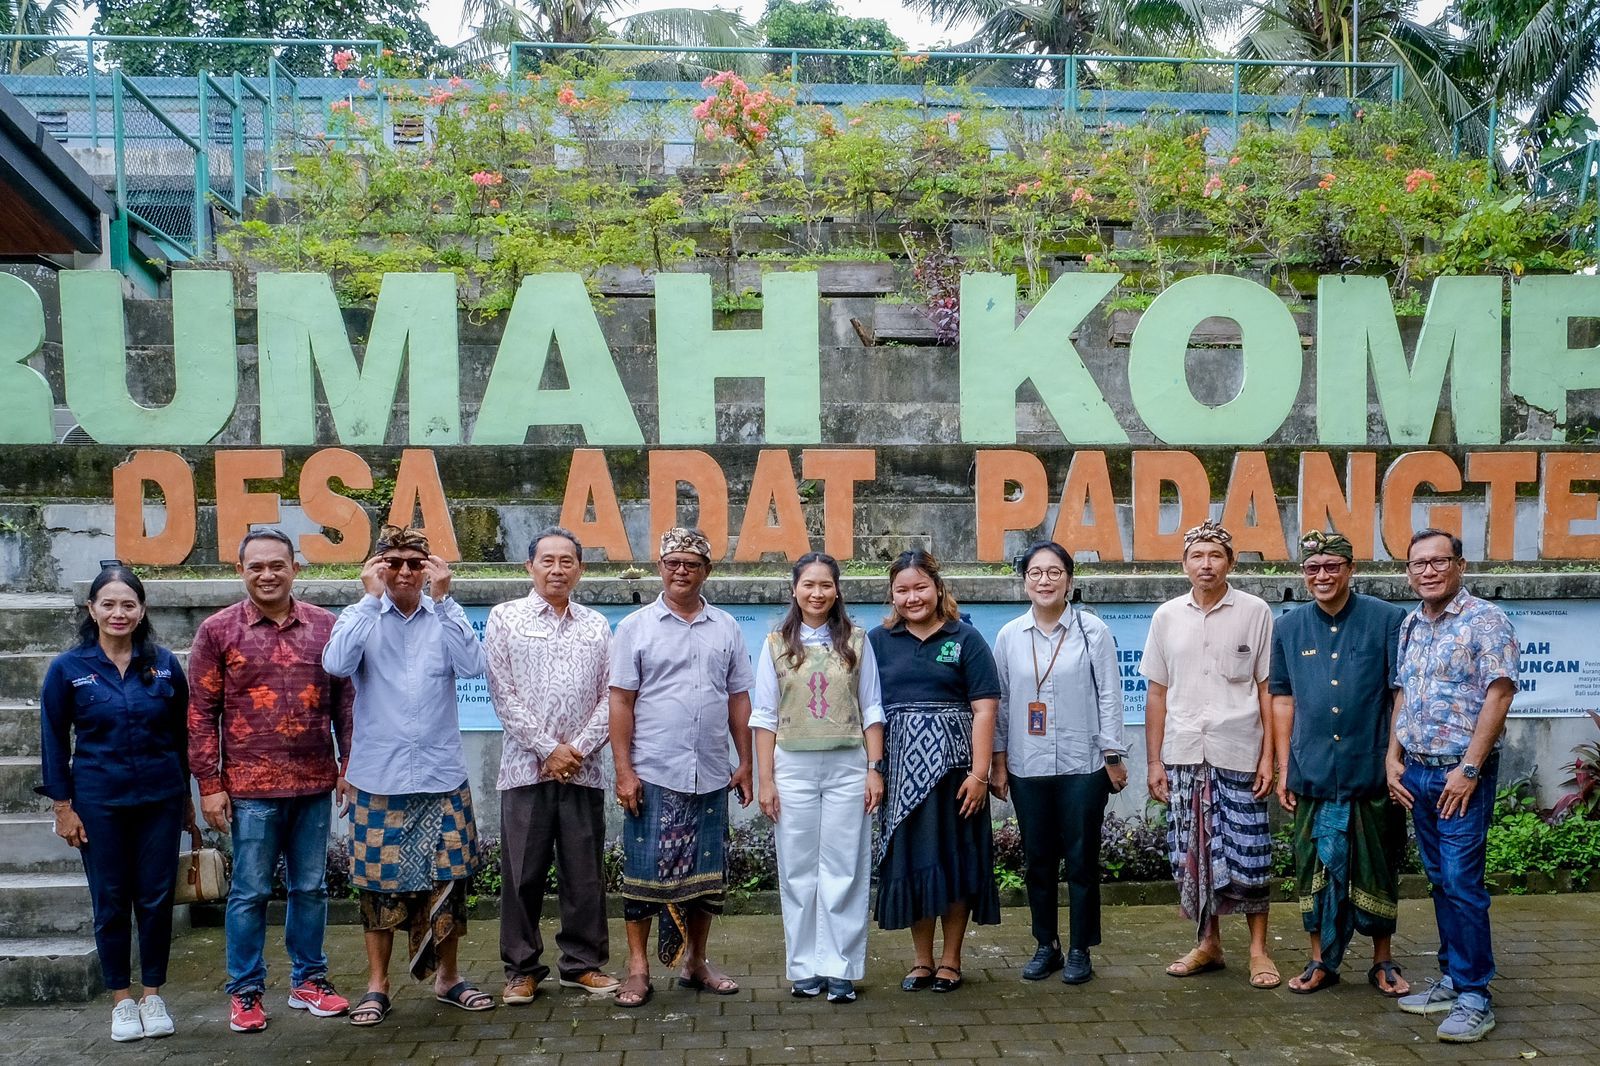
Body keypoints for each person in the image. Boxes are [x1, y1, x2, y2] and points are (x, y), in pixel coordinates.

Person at [322, 524, 491, 1026]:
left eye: (414, 563)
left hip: (441, 776)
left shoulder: (445, 614)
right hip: (381, 778)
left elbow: (473, 666)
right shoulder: (360, 616)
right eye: (392, 562)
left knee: (449, 883)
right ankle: (378, 985)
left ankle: (448, 978)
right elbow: (335, 663)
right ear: (376, 566)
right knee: (378, 887)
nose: (403, 572)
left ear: (430, 567)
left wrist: (444, 601)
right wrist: (370, 600)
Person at [188, 528, 355, 1033]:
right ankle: (245, 992)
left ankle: (310, 981)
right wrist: (210, 784)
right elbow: (200, 713)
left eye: (277, 565)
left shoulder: (326, 627)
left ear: (295, 569)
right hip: (250, 787)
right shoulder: (218, 631)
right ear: (241, 571)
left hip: (313, 783)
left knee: (311, 887)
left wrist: (350, 765)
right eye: (256, 566)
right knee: (250, 891)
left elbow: (346, 702)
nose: (267, 574)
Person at [38, 563, 191, 1042]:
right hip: (99, 801)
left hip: (160, 799)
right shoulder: (69, 669)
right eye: (109, 604)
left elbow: (181, 737)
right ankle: (121, 1001)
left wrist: (186, 799)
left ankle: (153, 994)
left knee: (156, 896)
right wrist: (63, 807)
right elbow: (52, 740)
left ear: (142, 609)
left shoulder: (164, 663)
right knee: (110, 900)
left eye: (128, 604)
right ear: (92, 609)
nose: (118, 612)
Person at [608, 527, 755, 1009]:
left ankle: (696, 962)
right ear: (660, 568)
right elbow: (621, 702)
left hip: (711, 772)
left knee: (706, 876)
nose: (681, 571)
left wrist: (746, 761)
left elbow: (738, 699)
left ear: (706, 572)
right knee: (643, 876)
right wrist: (624, 770)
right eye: (673, 562)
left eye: (691, 564)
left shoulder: (726, 627)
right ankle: (637, 968)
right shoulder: (635, 627)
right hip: (653, 772)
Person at [1387, 528, 1517, 1043]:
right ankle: (1452, 976)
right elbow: (1403, 692)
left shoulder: (1486, 620)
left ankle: (1475, 996)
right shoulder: (1411, 624)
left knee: (1463, 883)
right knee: (1441, 880)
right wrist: (1392, 757)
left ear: (1459, 565)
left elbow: (1499, 695)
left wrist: (1468, 768)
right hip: (1416, 770)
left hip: (1459, 774)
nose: (1428, 571)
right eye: (1418, 563)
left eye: (1438, 561)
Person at [1268, 530, 1410, 997]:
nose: (1322, 575)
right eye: (1313, 568)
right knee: (1312, 866)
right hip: (1313, 770)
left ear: (1350, 569)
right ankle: (1319, 960)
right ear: (1303, 575)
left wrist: (1394, 758)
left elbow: (1398, 695)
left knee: (1378, 864)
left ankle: (1382, 960)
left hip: (1370, 769)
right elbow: (1283, 699)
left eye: (1332, 566)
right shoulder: (1288, 627)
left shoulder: (1387, 619)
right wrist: (1285, 766)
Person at [1141, 521, 1279, 990]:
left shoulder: (1255, 611)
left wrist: (1270, 759)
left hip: (1239, 751)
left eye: (1215, 555)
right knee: (1193, 854)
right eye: (1197, 555)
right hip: (1182, 753)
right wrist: (1154, 761)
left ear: (1231, 562)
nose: (1206, 564)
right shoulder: (1166, 617)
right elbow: (1156, 693)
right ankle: (1209, 943)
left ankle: (1259, 950)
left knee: (1250, 854)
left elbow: (1267, 690)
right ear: (1184, 563)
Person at [485, 527, 619, 1004]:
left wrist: (576, 750)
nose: (557, 569)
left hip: (584, 770)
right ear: (530, 566)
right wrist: (547, 749)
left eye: (567, 561)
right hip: (525, 769)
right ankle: (521, 968)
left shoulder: (597, 625)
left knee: (584, 873)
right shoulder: (505, 619)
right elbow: (503, 695)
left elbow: (612, 695)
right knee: (522, 873)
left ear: (579, 569)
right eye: (548, 560)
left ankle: (582, 964)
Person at [753, 552, 886, 1005]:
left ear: (837, 590)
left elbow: (872, 709)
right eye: (808, 584)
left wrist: (874, 769)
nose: (817, 593)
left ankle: (841, 968)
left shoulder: (857, 642)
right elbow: (764, 716)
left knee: (845, 867)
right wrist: (765, 780)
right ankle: (805, 968)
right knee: (797, 870)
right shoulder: (775, 644)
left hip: (849, 765)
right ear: (795, 589)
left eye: (825, 585)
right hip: (793, 766)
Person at [991, 541, 1126, 986]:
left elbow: (1109, 694)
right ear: (1024, 580)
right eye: (1035, 573)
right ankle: (1045, 944)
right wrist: (999, 761)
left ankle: (1080, 949)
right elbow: (1003, 702)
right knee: (1038, 860)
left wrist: (1113, 756)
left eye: (1054, 572)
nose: (1044, 580)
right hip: (1028, 768)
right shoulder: (1010, 635)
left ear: (1069, 579)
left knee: (1082, 861)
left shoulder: (1092, 631)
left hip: (1083, 765)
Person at [869, 548, 1002, 994]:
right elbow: (868, 710)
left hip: (956, 776)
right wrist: (874, 769)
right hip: (900, 775)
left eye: (920, 587)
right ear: (892, 595)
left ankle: (951, 960)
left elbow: (985, 709)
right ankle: (921, 960)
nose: (912, 598)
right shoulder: (877, 642)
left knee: (955, 861)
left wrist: (980, 774)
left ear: (937, 587)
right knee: (913, 862)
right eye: (902, 590)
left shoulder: (965, 638)